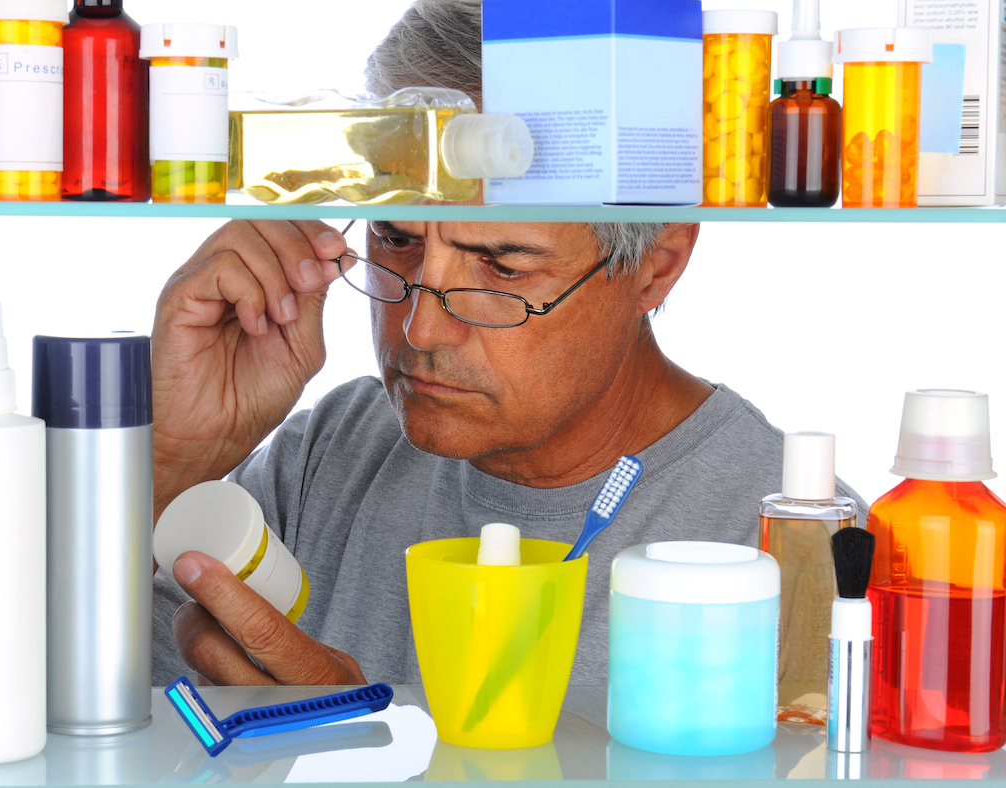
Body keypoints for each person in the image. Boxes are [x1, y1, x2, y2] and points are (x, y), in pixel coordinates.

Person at [150, 0, 865, 687]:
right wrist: (171, 459)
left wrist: (363, 750)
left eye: (501, 263)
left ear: (657, 263)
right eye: (394, 238)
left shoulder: (790, 536)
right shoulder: (332, 453)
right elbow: (80, 707)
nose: (420, 331)